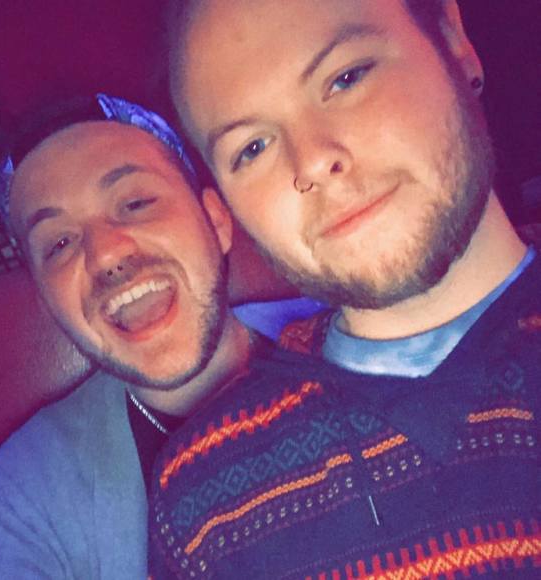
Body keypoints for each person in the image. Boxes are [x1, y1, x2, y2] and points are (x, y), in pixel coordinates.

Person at [147, 1, 540, 577]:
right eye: (252, 148)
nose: (312, 161)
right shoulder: (205, 505)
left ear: (453, 42)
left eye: (346, 78)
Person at [0, 94, 260, 578]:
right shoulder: (16, 503)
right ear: (47, 298)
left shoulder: (364, 338)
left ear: (216, 221)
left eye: (135, 203)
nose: (105, 255)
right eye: (59, 244)